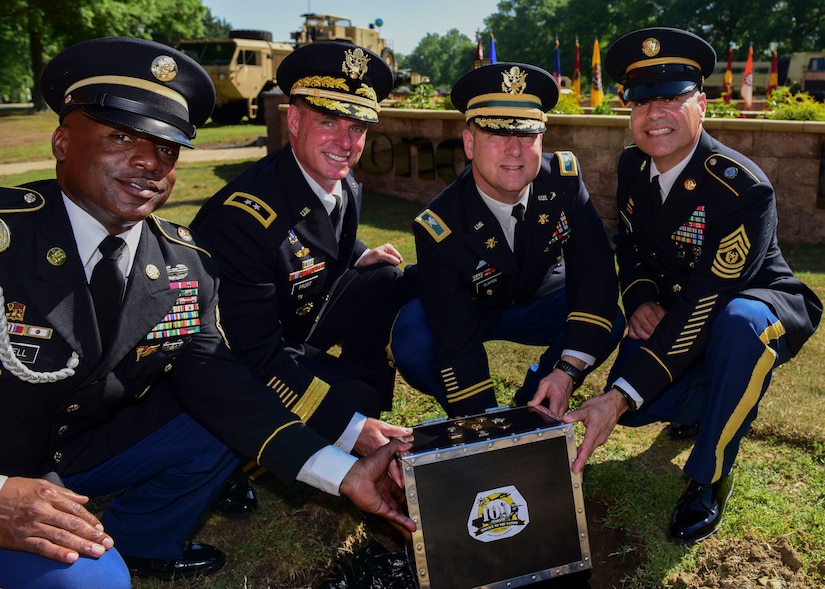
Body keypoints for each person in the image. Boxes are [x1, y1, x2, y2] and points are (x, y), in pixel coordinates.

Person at [0, 37, 415, 588]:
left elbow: (224, 386)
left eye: (167, 148)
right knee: (90, 582)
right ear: (61, 141)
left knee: (223, 406)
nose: (149, 162)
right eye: (121, 136)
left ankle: (143, 537)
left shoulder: (183, 266)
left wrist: (344, 475)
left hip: (87, 449)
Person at [553, 27, 822, 545]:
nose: (655, 114)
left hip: (755, 307)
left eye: (672, 98)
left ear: (701, 104)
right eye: (641, 101)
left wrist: (617, 396)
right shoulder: (633, 163)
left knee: (732, 332)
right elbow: (628, 242)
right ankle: (712, 399)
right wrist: (640, 297)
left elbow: (706, 304)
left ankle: (709, 475)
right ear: (629, 110)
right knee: (643, 412)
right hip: (678, 307)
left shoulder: (741, 188)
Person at [190, 41, 413, 505]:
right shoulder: (243, 218)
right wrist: (349, 426)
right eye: (328, 122)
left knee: (386, 278)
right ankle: (252, 454)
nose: (345, 142)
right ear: (293, 120)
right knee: (345, 402)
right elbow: (251, 353)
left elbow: (324, 235)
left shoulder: (341, 182)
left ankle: (362, 402)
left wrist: (359, 254)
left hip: (295, 326)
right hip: (236, 361)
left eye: (357, 127)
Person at [389, 62, 624, 418]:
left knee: (606, 321)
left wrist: (566, 372)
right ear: (470, 143)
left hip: (536, 296)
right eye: (497, 135)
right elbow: (455, 338)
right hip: (469, 306)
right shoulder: (440, 224)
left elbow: (597, 277)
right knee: (412, 341)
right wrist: (488, 428)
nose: (514, 150)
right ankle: (477, 417)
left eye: (527, 136)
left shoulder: (564, 182)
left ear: (541, 139)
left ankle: (534, 399)